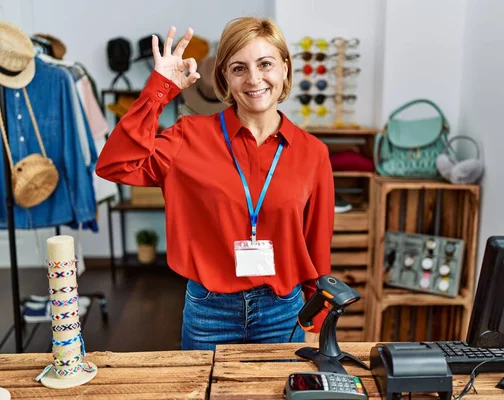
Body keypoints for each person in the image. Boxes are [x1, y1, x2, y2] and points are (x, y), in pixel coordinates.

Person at [96, 17, 334, 350]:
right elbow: (114, 165)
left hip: (283, 311)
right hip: (210, 312)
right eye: (239, 68)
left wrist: (318, 316)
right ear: (225, 77)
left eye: (265, 64)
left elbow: (316, 242)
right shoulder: (186, 136)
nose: (254, 79)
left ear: (284, 68)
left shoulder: (313, 153)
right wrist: (159, 90)